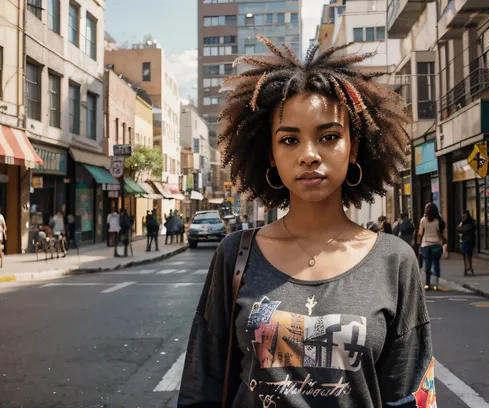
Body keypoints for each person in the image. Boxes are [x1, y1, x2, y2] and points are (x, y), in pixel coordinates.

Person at [178, 37, 435, 408]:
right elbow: (201, 387)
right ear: (270, 153)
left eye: (329, 137)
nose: (309, 155)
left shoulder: (394, 261)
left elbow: (410, 395)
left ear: (355, 147)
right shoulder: (235, 255)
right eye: (289, 140)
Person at [417, 203, 447, 290]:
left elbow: (420, 233)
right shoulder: (437, 221)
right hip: (436, 244)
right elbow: (440, 233)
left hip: (426, 244)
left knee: (427, 264)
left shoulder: (423, 220)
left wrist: (418, 243)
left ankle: (427, 284)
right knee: (436, 264)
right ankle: (436, 283)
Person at [457, 211, 477, 276]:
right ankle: (468, 268)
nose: (463, 217)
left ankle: (468, 268)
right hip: (467, 241)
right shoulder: (467, 222)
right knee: (467, 255)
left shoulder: (468, 223)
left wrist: (460, 228)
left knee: (467, 255)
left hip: (468, 241)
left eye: (464, 216)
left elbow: (461, 230)